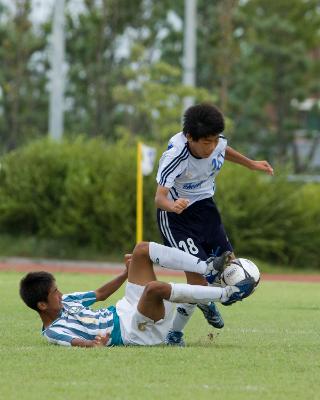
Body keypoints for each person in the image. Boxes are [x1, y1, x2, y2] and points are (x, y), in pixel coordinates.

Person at [155, 103, 273, 346]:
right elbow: (159, 198)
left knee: (228, 264)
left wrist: (251, 163)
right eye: (206, 142)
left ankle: (206, 300)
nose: (212, 146)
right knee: (197, 278)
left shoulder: (216, 142)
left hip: (206, 209)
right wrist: (172, 206)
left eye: (215, 139)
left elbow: (224, 149)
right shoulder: (175, 156)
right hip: (177, 218)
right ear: (190, 137)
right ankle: (176, 333)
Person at [19, 241, 255, 347]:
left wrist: (126, 273)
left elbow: (100, 293)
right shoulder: (53, 331)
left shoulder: (67, 300)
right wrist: (94, 344)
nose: (61, 294)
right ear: (41, 305)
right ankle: (226, 294)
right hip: (132, 333)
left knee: (141, 250)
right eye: (54, 293)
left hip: (125, 308)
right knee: (155, 289)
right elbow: (77, 342)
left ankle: (206, 268)